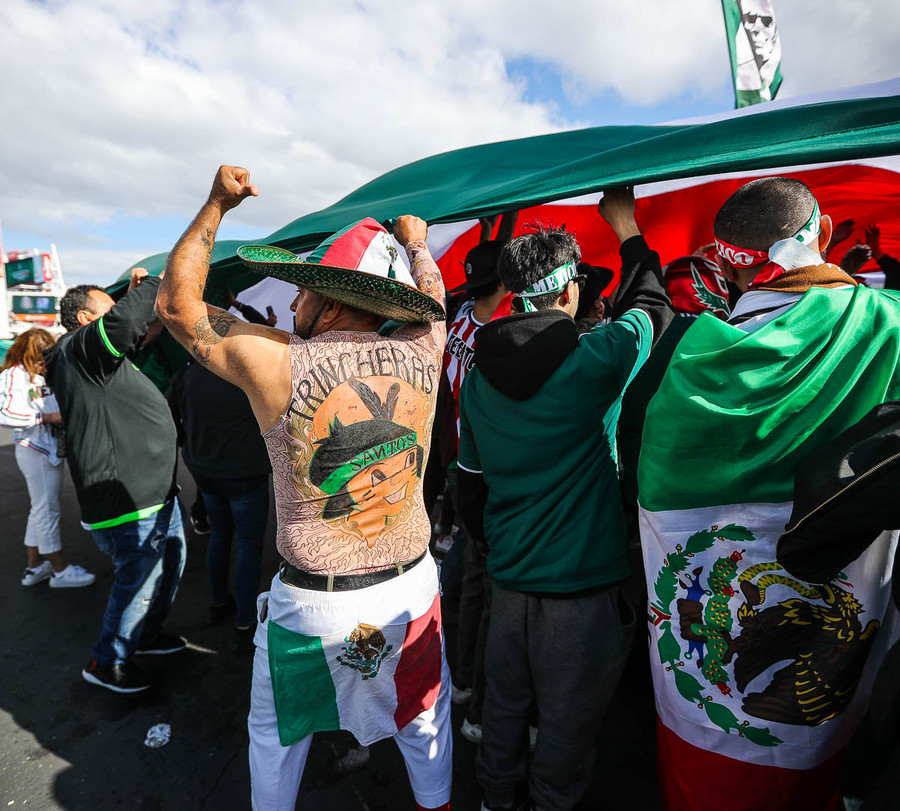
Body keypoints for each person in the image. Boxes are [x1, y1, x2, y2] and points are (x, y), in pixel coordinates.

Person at [155, 165, 452, 811]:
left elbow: (176, 306)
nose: (292, 306)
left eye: (302, 294)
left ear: (334, 302)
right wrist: (417, 242)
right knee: (425, 721)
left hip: (316, 606)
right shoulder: (426, 348)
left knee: (277, 737)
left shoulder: (280, 362)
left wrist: (215, 205)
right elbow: (435, 298)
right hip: (410, 588)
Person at [638, 177, 900, 811]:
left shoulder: (687, 358)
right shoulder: (888, 325)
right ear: (825, 233)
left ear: (725, 262)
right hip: (851, 651)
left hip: (703, 721)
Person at [456, 187, 672, 811]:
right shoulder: (595, 358)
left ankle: (496, 796)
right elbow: (652, 305)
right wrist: (625, 224)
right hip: (581, 586)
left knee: (504, 703)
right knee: (567, 718)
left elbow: (470, 485)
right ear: (569, 291)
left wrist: (498, 549)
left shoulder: (477, 379)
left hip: (509, 578)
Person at [45, 270, 187, 694]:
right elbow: (126, 322)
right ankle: (107, 661)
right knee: (138, 585)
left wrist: (133, 297)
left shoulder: (91, 357)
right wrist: (160, 280)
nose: (116, 312)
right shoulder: (77, 348)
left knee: (168, 569)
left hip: (154, 494)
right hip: (128, 503)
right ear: (85, 319)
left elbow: (138, 328)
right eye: (107, 308)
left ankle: (144, 636)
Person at [442, 239, 510, 743]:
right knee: (479, 575)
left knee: (467, 563)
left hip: (454, 453)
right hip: (482, 464)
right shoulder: (501, 337)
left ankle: (460, 675)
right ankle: (467, 680)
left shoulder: (459, 318)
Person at [167, 358, 271, 644]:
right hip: (246, 473)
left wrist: (190, 448)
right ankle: (245, 622)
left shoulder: (185, 375)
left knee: (220, 536)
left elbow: (171, 421)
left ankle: (218, 604)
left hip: (206, 472)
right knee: (248, 545)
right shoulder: (248, 375)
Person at [0, 328, 95, 588]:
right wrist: (45, 417)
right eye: (38, 354)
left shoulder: (45, 373)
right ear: (25, 351)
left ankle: (34, 567)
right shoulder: (13, 375)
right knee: (47, 510)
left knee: (40, 508)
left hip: (50, 447)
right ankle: (59, 570)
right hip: (34, 448)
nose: (42, 359)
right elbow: (4, 414)